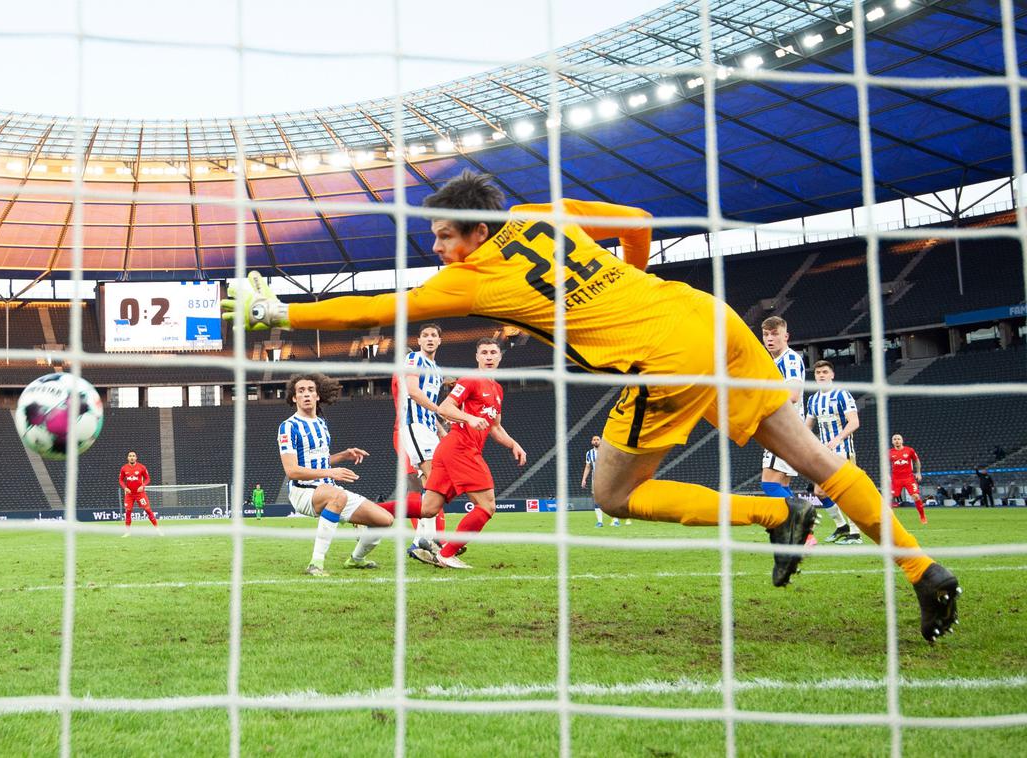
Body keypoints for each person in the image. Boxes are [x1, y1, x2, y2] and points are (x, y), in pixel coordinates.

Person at [223, 170, 959, 642]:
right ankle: (925, 572)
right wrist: (620, 291)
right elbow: (635, 219)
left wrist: (278, 315)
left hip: (666, 358)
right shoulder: (541, 215)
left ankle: (776, 513)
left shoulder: (473, 278)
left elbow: (383, 307)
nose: (439, 246)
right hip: (710, 318)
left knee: (612, 492)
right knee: (820, 460)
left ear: (476, 232)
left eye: (445, 235)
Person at [279, 373, 429, 576]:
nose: (306, 394)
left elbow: (319, 461)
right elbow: (292, 470)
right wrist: (331, 472)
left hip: (328, 489)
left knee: (384, 519)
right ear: (294, 398)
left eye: (311, 390)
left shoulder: (321, 424)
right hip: (303, 492)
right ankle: (316, 564)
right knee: (338, 495)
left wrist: (343, 455)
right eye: (301, 391)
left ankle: (356, 560)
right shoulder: (288, 426)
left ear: (318, 396)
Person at [405, 338, 527, 568]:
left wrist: (513, 444)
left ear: (500, 357)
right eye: (484, 352)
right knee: (487, 506)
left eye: (493, 352)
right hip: (461, 448)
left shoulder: (497, 390)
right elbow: (445, 408)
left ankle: (369, 513)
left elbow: (495, 427)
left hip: (453, 449)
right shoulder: (471, 379)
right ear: (477, 357)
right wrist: (469, 418)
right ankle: (447, 553)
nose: (489, 356)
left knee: (428, 508)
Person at [392, 323, 447, 552]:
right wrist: (441, 410)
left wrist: (441, 429)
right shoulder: (414, 359)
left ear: (440, 340)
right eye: (425, 335)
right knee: (433, 479)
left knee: (432, 484)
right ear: (419, 340)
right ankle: (427, 539)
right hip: (413, 427)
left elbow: (427, 406)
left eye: (434, 335)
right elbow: (413, 391)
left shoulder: (437, 371)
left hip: (428, 429)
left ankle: (421, 540)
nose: (430, 339)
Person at [804, 361, 864, 544]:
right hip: (823, 452)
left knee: (846, 492)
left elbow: (854, 422)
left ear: (832, 375)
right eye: (818, 373)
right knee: (820, 491)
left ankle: (855, 533)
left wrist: (839, 438)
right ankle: (841, 526)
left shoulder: (842, 395)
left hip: (843, 450)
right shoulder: (813, 400)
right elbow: (807, 427)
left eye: (824, 372)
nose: (821, 375)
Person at [759, 317, 804, 500]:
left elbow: (793, 395)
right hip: (790, 429)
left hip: (785, 429)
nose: (770, 338)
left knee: (769, 484)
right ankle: (802, 529)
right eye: (766, 334)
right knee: (781, 485)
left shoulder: (789, 360)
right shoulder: (775, 362)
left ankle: (801, 526)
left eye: (775, 334)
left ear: (786, 336)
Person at [582, 436, 622, 527]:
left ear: (601, 441)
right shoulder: (589, 453)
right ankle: (600, 522)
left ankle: (615, 520)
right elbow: (588, 467)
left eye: (597, 440)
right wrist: (584, 479)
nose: (596, 441)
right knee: (597, 500)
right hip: (596, 479)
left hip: (608, 478)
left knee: (611, 498)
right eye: (594, 440)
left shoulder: (607, 451)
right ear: (591, 442)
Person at [119, 451, 160, 536]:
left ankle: (157, 529)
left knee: (148, 510)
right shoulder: (124, 468)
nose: (132, 457)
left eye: (133, 456)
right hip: (129, 495)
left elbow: (148, 479)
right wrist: (125, 488)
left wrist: (143, 485)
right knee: (128, 512)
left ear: (136, 458)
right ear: (128, 458)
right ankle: (127, 532)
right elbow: (120, 480)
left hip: (140, 494)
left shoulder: (142, 467)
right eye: (130, 456)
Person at [890, 434, 927, 524]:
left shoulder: (909, 450)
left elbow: (916, 460)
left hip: (908, 478)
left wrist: (918, 472)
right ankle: (888, 520)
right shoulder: (889, 452)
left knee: (916, 496)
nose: (897, 441)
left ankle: (922, 516)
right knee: (890, 499)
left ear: (902, 441)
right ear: (892, 441)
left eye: (898, 439)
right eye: (895, 439)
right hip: (896, 479)